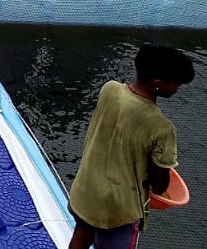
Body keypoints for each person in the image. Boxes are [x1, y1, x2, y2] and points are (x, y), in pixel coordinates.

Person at [67, 43, 195, 249]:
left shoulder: (109, 89)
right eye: (176, 84)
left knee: (81, 238)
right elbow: (160, 184)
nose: (177, 88)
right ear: (157, 83)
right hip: (118, 210)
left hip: (86, 192)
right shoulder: (162, 127)